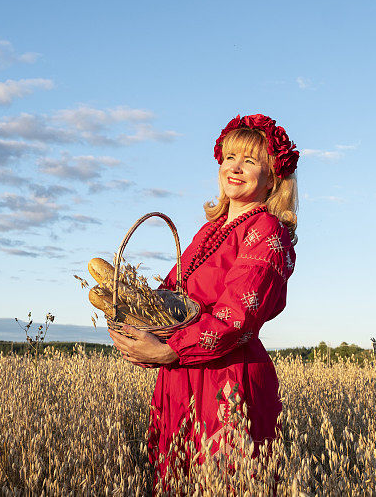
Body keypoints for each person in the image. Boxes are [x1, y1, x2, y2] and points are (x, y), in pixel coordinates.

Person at [107, 113, 299, 490]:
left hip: (228, 378)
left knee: (225, 482)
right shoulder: (209, 230)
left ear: (273, 175)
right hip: (181, 375)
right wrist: (137, 321)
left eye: (250, 160)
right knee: (178, 480)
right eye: (229, 158)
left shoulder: (266, 229)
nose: (235, 168)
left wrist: (170, 351)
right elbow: (171, 298)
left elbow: (238, 315)